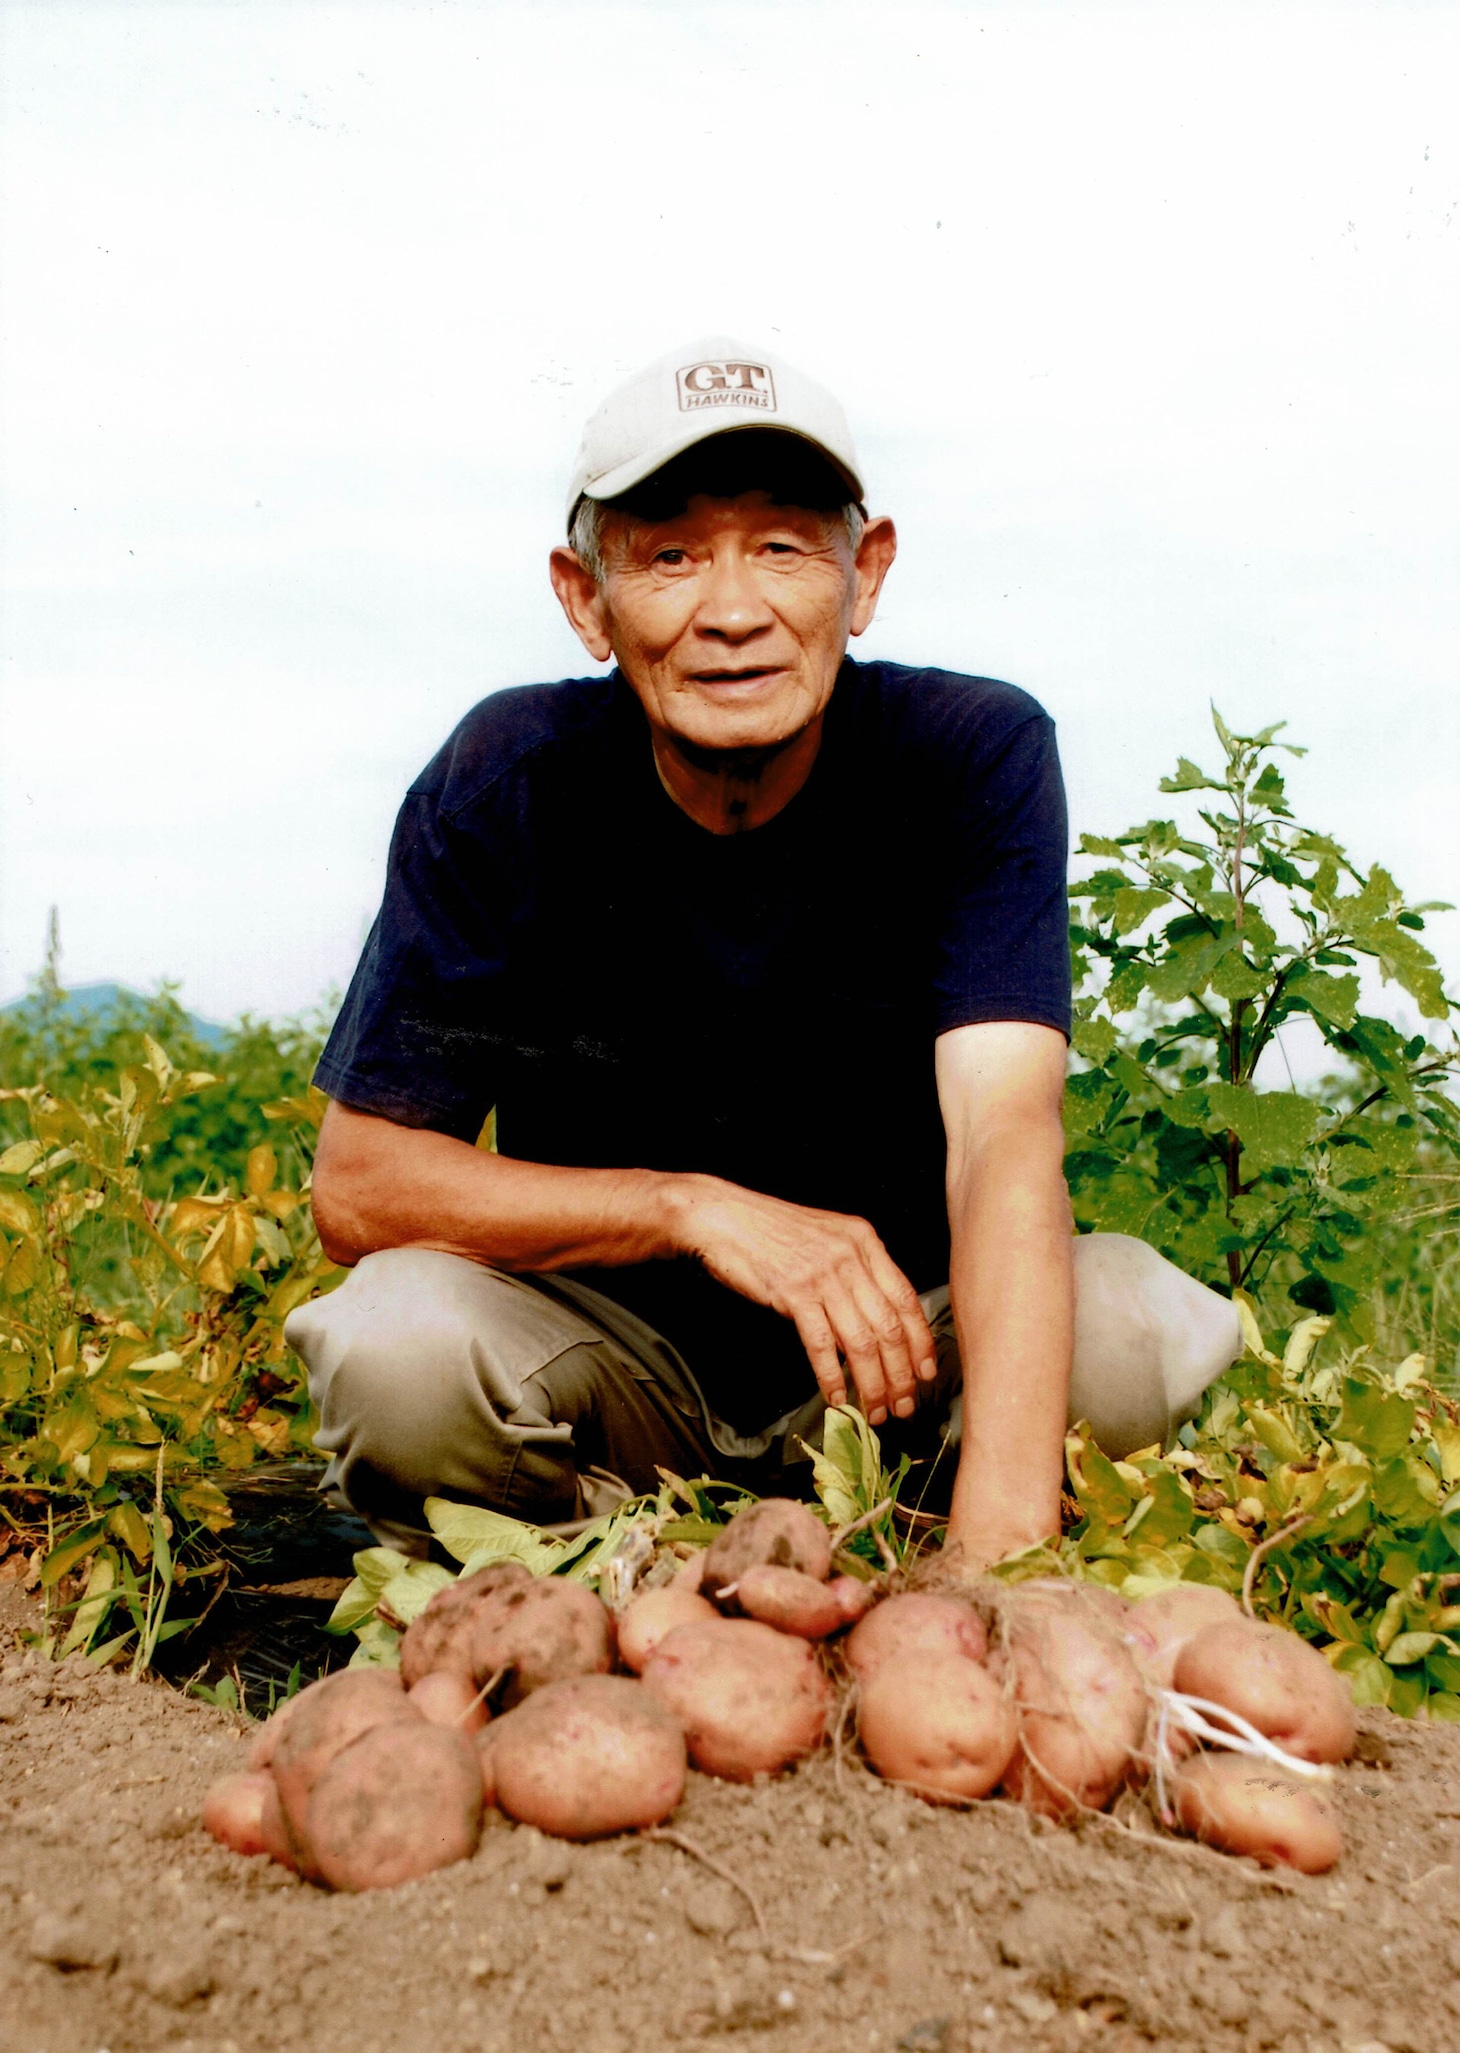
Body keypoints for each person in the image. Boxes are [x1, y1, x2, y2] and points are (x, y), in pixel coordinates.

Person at [287, 337, 1241, 1571]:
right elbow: (360, 1186)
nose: (731, 613)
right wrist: (689, 1209)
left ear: (864, 573)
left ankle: (926, 1558)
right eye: (669, 556)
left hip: (893, 1373)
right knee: (395, 1344)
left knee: (1122, 1323)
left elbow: (1006, 1130)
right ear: (586, 598)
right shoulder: (507, 780)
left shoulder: (965, 754)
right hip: (606, 1386)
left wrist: (993, 1565)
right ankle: (598, 1585)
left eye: (783, 546)